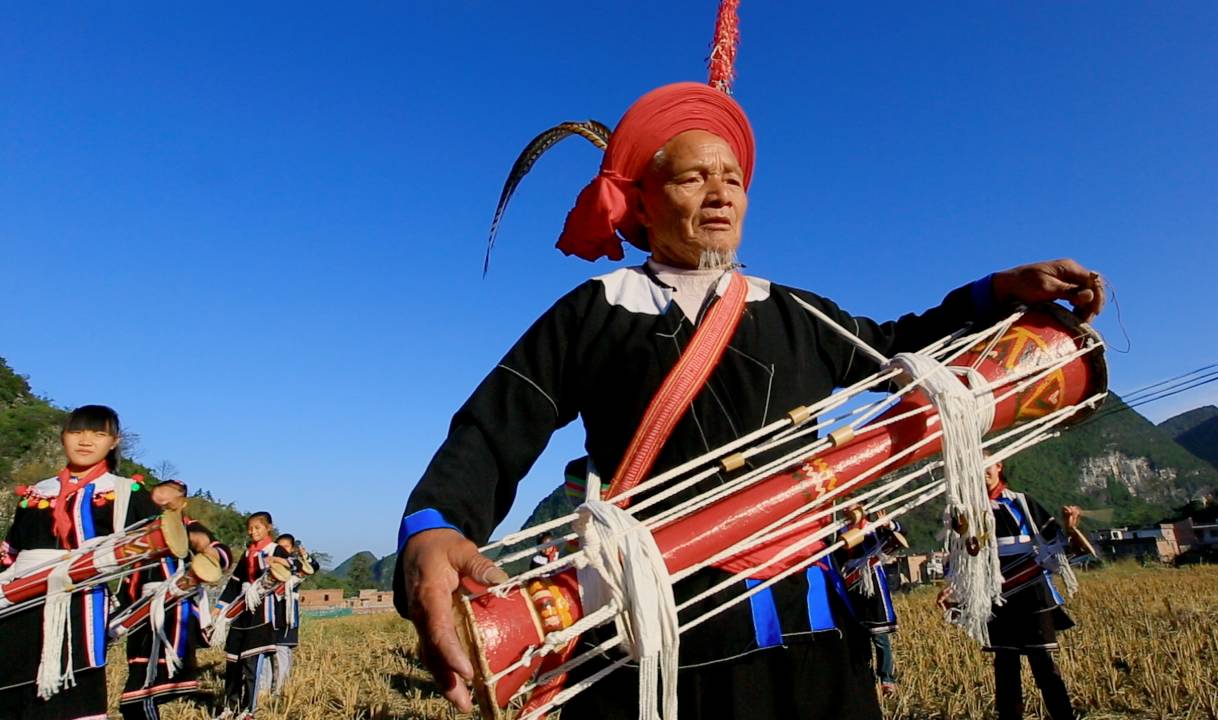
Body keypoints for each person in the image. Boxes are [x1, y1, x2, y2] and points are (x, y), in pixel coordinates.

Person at [393, 81, 1105, 720]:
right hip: (653, 639)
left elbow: (902, 357)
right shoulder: (599, 308)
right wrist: (433, 525)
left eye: (733, 178)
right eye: (695, 176)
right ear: (642, 198)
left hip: (812, 635)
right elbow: (493, 428)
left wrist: (996, 294)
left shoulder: (794, 312)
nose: (722, 192)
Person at [0, 405, 161, 720]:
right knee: (12, 686)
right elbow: (11, 555)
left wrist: (123, 619)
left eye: (98, 433)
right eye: (77, 432)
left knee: (73, 692)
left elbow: (153, 556)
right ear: (62, 437)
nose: (85, 441)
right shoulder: (35, 494)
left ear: (113, 442)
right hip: (19, 606)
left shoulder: (126, 493)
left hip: (79, 607)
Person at [982, 459, 1083, 720]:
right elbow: (964, 558)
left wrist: (1071, 528)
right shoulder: (971, 512)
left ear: (999, 465)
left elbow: (1058, 542)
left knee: (1044, 666)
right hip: (998, 598)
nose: (983, 473)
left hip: (1033, 594)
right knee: (1005, 669)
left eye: (987, 466)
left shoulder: (1022, 503)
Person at [118, 479, 206, 720]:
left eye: (173, 493)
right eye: (161, 490)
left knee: (139, 694)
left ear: (183, 501)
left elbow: (219, 553)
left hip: (169, 609)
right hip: (139, 611)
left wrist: (207, 556)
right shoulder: (142, 528)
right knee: (138, 692)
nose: (165, 496)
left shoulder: (189, 526)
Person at [217, 511, 289, 718]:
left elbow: (295, 567)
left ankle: (249, 709)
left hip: (261, 610)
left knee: (251, 663)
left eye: (257, 527)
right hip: (241, 608)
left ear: (268, 528)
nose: (253, 532)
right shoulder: (248, 553)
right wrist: (220, 607)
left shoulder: (275, 550)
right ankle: (230, 706)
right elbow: (235, 581)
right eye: (250, 528)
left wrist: (281, 562)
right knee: (233, 661)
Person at [840, 509, 901, 697]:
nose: (848, 509)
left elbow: (899, 534)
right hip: (850, 581)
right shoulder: (840, 529)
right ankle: (863, 676)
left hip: (872, 581)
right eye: (846, 505)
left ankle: (887, 679)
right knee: (858, 635)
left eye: (853, 505)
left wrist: (888, 525)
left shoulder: (873, 527)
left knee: (880, 634)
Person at [268, 533, 316, 694]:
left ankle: (280, 688)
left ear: (292, 549)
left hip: (287, 616)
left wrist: (305, 556)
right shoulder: (270, 566)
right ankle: (270, 688)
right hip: (271, 614)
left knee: (283, 651)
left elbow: (312, 567)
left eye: (286, 547)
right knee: (271, 652)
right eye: (279, 547)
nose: (282, 550)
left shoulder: (296, 566)